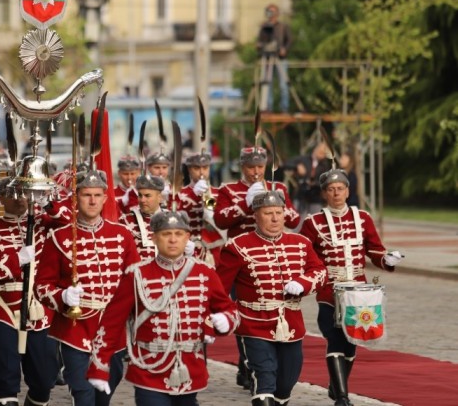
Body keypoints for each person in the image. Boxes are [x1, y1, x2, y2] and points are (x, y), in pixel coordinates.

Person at [86, 210, 239, 405]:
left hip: (190, 368)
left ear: (187, 238)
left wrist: (226, 320)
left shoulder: (205, 273)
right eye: (166, 234)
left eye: (178, 234)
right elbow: (111, 323)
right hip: (149, 369)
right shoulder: (137, 275)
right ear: (154, 238)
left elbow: (230, 309)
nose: (173, 240)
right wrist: (99, 367)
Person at [35, 170, 140, 406]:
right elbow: (41, 286)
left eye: (97, 195)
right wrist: (62, 295)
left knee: (107, 389)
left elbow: (137, 279)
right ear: (76, 199)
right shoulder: (59, 237)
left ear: (105, 198)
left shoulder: (122, 235)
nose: (92, 201)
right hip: (76, 327)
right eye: (86, 195)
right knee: (82, 391)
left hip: (112, 328)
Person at [300, 169, 403, 406]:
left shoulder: (363, 218)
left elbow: (374, 249)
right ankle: (343, 398)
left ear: (348, 191)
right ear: (324, 194)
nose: (336, 193)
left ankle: (336, 386)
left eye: (341, 189)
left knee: (351, 343)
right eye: (331, 189)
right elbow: (305, 256)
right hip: (329, 292)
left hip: (359, 293)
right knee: (335, 340)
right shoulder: (312, 223)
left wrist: (386, 259)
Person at [216, 191, 327, 406]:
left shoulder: (301, 243)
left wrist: (303, 283)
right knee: (264, 377)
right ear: (256, 216)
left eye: (279, 212)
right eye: (268, 213)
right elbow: (219, 288)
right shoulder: (237, 246)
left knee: (286, 382)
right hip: (253, 323)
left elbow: (320, 270)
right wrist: (218, 317)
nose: (275, 218)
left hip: (291, 324)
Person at [0, 178, 61, 406]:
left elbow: (71, 222)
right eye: (13, 194)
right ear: (1, 198)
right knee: (8, 374)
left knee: (44, 380)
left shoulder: (43, 223)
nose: (19, 199)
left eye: (24, 193)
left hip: (39, 306)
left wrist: (47, 203)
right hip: (4, 303)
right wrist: (16, 260)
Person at [178, 152, 225, 265]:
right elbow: (176, 215)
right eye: (196, 168)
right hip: (187, 247)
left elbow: (217, 217)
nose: (201, 172)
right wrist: (193, 195)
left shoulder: (217, 192)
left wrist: (208, 198)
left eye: (205, 167)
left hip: (212, 248)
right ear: (189, 169)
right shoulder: (180, 193)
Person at [119, 174, 171, 261]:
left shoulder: (172, 219)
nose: (142, 200)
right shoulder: (125, 221)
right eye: (140, 195)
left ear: (159, 198)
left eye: (147, 196)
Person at [256, 4, 293, 113]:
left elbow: (290, 40)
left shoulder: (283, 27)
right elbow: (260, 42)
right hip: (267, 59)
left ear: (277, 13)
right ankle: (268, 107)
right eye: (268, 12)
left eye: (272, 12)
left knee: (283, 85)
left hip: (280, 59)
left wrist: (284, 49)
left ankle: (284, 108)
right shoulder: (264, 28)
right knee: (268, 84)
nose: (270, 14)